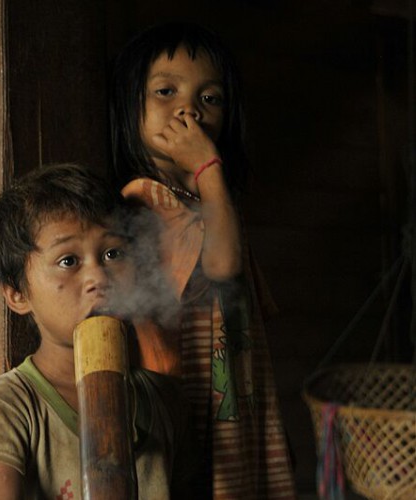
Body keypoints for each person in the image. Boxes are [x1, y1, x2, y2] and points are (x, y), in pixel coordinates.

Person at [110, 22, 297, 499]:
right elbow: (223, 267)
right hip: (191, 411)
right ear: (130, 107)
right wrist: (208, 168)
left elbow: (252, 309)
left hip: (237, 399)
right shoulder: (144, 198)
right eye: (165, 91)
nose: (189, 108)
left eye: (210, 98)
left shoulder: (209, 205)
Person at [0, 163, 199, 499]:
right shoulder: (7, 406)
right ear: (17, 294)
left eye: (113, 253)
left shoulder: (166, 401)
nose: (98, 278)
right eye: (69, 261)